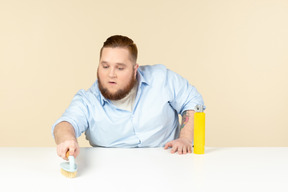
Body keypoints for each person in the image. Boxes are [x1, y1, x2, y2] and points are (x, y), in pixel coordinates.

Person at [52, 35, 205, 160]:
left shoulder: (162, 78)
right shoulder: (87, 100)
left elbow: (192, 101)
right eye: (105, 66)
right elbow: (65, 124)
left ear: (134, 69)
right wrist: (67, 140)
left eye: (120, 68)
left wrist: (185, 139)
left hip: (171, 165)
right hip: (111, 174)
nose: (111, 74)